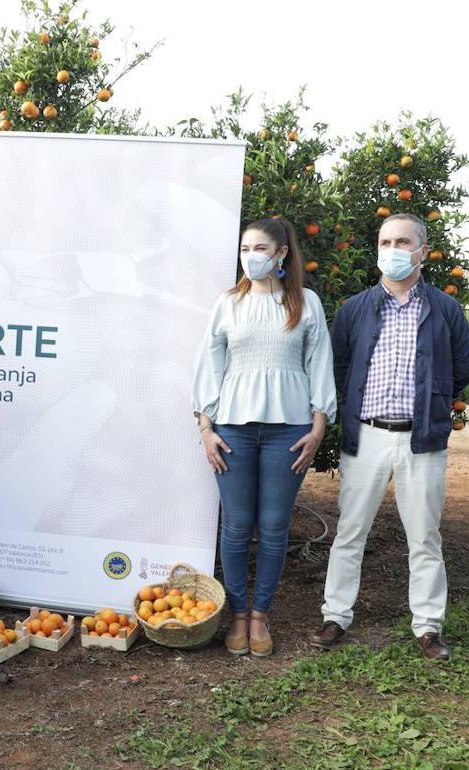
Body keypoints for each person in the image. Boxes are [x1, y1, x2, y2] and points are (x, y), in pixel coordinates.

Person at [311, 213, 469, 660]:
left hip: (421, 439)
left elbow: (461, 370)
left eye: (403, 242)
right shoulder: (355, 308)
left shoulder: (445, 308)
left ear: (423, 250)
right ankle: (335, 615)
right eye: (385, 242)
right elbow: (340, 368)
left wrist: (432, 405)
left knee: (424, 535)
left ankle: (428, 626)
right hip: (367, 436)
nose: (392, 250)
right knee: (350, 531)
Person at [192, 218, 336, 657]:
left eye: (259, 248)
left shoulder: (305, 303)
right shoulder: (227, 304)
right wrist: (206, 428)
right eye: (244, 248)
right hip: (233, 428)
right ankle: (236, 613)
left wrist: (318, 424)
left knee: (274, 527)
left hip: (289, 432)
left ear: (281, 254)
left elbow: (320, 363)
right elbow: (208, 366)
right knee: (235, 527)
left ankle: (260, 615)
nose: (250, 256)